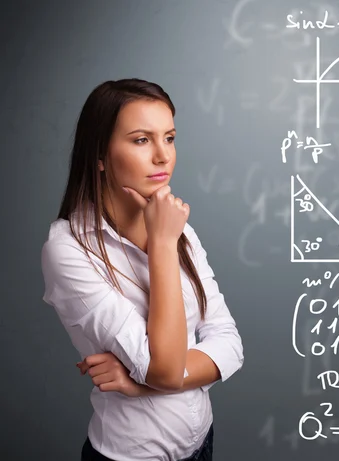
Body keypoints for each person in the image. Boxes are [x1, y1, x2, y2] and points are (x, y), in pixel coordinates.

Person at [40, 78, 244, 461]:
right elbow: (166, 369)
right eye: (141, 140)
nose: (163, 156)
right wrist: (163, 245)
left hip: (202, 443)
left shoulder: (176, 225)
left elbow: (229, 343)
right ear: (99, 154)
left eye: (169, 137)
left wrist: (142, 386)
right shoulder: (68, 249)